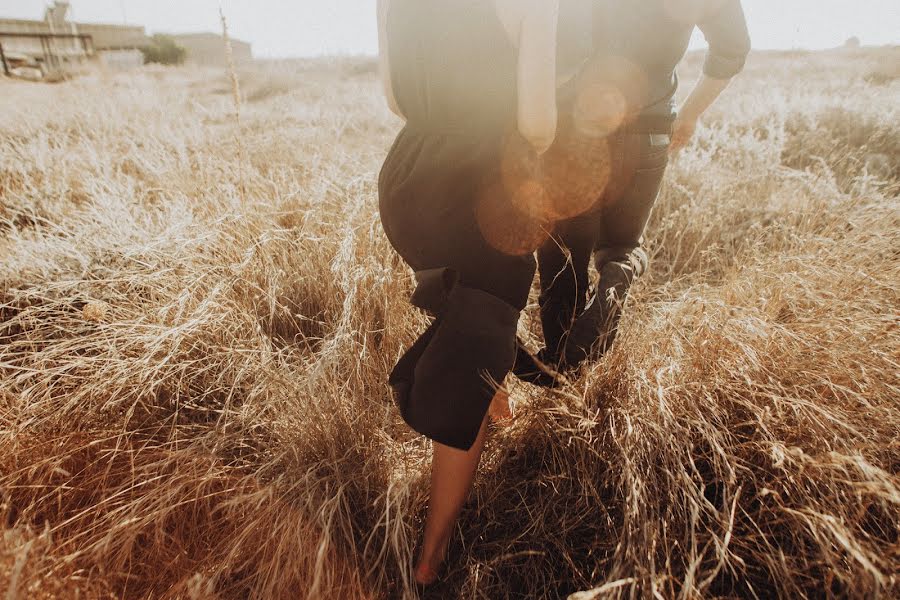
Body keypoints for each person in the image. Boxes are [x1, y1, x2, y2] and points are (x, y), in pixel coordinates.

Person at [377, 0, 581, 587]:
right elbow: (538, 125)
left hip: (409, 182)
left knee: (466, 308)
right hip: (482, 186)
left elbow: (395, 99)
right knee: (471, 351)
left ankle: (493, 393)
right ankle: (431, 554)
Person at [520, 0, 751, 378]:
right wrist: (690, 114)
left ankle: (564, 372)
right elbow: (734, 47)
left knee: (563, 255)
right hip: (648, 133)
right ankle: (618, 275)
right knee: (622, 248)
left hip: (572, 133)